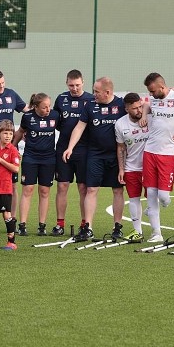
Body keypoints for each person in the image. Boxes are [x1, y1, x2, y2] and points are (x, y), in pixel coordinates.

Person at [62, 77, 126, 241]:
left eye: (97, 92)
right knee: (91, 189)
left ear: (107, 92)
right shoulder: (90, 105)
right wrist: (70, 147)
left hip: (116, 156)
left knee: (118, 190)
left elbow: (140, 110)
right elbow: (80, 127)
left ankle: (117, 226)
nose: (94, 94)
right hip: (95, 155)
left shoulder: (120, 105)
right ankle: (88, 227)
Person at [141, 72, 174, 243]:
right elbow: (147, 105)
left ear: (162, 87)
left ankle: (159, 204)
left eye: (153, 91)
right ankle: (156, 233)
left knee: (164, 197)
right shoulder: (153, 99)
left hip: (169, 153)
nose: (151, 94)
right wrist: (143, 114)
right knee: (151, 192)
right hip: (150, 151)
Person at [52, 69, 94, 236]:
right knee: (62, 186)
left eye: (77, 85)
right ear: (66, 83)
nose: (74, 88)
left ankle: (84, 224)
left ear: (83, 82)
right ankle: (60, 224)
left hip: (84, 149)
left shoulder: (91, 99)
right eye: (71, 85)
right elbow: (55, 121)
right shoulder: (61, 99)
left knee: (83, 187)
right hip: (63, 148)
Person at [15, 93, 59, 236]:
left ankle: (42, 226)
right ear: (35, 107)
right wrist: (12, 148)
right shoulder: (27, 117)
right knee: (28, 189)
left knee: (45, 191)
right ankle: (22, 225)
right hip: (30, 158)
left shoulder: (54, 116)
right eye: (44, 107)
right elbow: (21, 132)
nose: (48, 110)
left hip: (49, 159)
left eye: (49, 106)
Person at [115, 92, 149, 237]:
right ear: (127, 108)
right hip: (131, 167)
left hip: (150, 167)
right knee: (134, 198)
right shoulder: (120, 124)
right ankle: (137, 231)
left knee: (157, 196)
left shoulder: (150, 117)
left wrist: (145, 113)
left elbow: (150, 105)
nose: (139, 110)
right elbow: (121, 147)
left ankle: (155, 229)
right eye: (135, 108)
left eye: (140, 106)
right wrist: (121, 169)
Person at [0, 120, 20, 250]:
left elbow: (16, 169)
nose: (8, 136)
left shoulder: (13, 150)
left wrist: (1, 161)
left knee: (6, 214)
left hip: (4, 188)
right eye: (5, 133)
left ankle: (11, 242)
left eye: (10, 133)